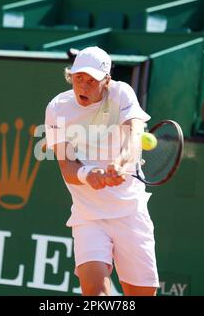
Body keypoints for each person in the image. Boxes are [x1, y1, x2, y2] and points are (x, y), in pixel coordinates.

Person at [44, 46, 159, 296]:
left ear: (106, 80)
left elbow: (135, 135)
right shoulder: (57, 108)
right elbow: (67, 167)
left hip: (130, 211)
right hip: (89, 215)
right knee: (95, 294)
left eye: (91, 81)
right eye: (78, 79)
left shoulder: (121, 94)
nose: (83, 87)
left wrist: (120, 163)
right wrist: (89, 175)